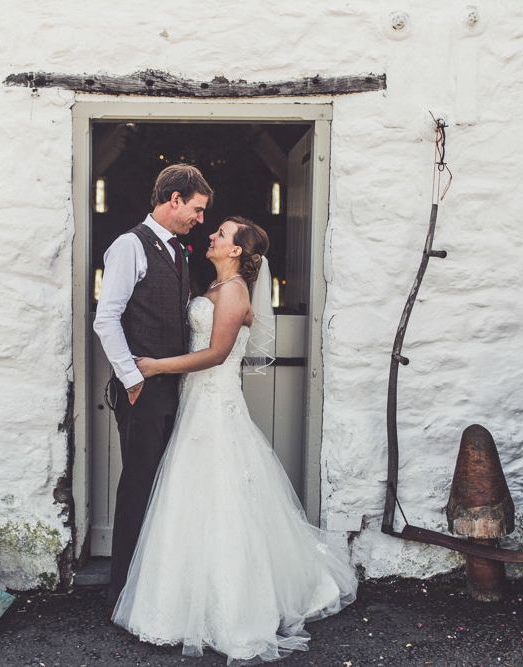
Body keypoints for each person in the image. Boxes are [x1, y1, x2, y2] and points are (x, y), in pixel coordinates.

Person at [112, 216, 357, 663]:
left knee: (220, 497)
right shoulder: (211, 288)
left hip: (215, 405)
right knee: (189, 500)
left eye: (221, 234)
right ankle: (183, 601)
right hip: (194, 404)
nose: (212, 236)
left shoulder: (235, 292)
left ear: (237, 251)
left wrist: (155, 367)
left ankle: (232, 609)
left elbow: (217, 354)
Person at [93, 164, 214, 604]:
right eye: (197, 210)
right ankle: (120, 592)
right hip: (142, 390)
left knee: (164, 484)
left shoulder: (179, 251)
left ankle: (153, 587)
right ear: (175, 199)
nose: (200, 220)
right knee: (140, 484)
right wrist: (131, 378)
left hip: (171, 387)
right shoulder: (129, 246)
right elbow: (106, 319)